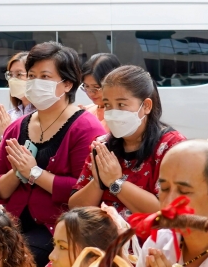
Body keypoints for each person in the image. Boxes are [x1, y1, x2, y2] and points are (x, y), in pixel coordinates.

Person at [0, 42, 105, 267]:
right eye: (31, 76)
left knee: (12, 260)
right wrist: (18, 173)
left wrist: (34, 172)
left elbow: (83, 191)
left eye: (45, 76)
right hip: (13, 225)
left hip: (59, 231)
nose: (34, 83)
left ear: (67, 84)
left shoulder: (86, 129)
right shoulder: (17, 127)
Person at [69, 65, 185, 218]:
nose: (113, 113)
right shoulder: (102, 145)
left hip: (150, 240)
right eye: (108, 105)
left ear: (146, 106)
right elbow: (75, 208)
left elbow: (166, 211)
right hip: (102, 238)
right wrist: (98, 182)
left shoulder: (171, 147)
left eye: (121, 105)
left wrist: (116, 182)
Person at [0, 52, 34, 149]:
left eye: (19, 74)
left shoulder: (42, 114)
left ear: (33, 76)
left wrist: (8, 131)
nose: (12, 80)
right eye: (10, 75)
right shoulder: (11, 115)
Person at [79, 53, 121, 131]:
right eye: (86, 86)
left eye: (97, 87)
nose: (90, 93)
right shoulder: (86, 112)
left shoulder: (125, 116)